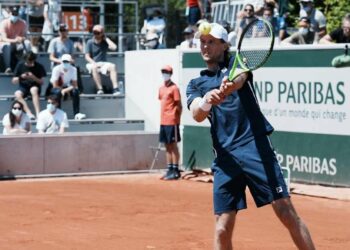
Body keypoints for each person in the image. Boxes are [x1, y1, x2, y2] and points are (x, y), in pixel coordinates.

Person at [186, 22, 316, 249]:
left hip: (254, 146)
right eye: (202, 42)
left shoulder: (239, 63)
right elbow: (197, 113)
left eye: (211, 42)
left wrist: (227, 86)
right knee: (222, 227)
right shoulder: (196, 84)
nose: (205, 47)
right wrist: (208, 99)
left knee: (285, 212)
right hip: (225, 158)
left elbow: (240, 79)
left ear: (224, 45)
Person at [159, 65, 182, 180]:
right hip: (163, 121)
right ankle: (169, 170)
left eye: (166, 72)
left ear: (171, 73)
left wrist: (177, 119)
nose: (164, 73)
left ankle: (176, 170)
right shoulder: (161, 88)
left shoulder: (175, 88)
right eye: (163, 71)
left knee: (173, 146)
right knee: (167, 146)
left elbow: (179, 105)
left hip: (172, 121)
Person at [85, 24, 121, 95]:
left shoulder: (105, 42)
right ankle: (100, 89)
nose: (95, 34)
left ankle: (115, 89)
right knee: (94, 67)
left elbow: (114, 47)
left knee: (113, 66)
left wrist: (106, 39)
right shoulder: (89, 42)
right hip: (92, 63)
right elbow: (87, 56)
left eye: (97, 33)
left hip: (103, 63)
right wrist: (94, 63)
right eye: (94, 32)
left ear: (102, 33)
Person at [50, 54, 86, 120]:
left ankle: (77, 113)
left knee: (75, 92)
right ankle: (58, 113)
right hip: (56, 87)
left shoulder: (74, 69)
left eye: (67, 62)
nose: (65, 63)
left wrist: (65, 90)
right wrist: (63, 90)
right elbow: (55, 85)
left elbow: (75, 85)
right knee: (57, 92)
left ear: (70, 62)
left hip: (67, 87)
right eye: (64, 61)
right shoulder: (56, 69)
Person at [12, 51, 47, 120]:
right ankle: (29, 112)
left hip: (35, 85)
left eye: (30, 62)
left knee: (34, 90)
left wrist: (33, 77)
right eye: (27, 62)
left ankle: (38, 113)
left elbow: (42, 82)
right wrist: (21, 77)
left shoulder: (39, 66)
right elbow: (13, 81)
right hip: (23, 86)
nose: (29, 64)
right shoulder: (20, 65)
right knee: (17, 94)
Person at [0, 6, 31, 73]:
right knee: (7, 45)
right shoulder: (4, 23)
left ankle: (21, 66)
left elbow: (24, 36)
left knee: (27, 43)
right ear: (10, 14)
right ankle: (8, 67)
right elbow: (4, 38)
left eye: (16, 14)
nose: (14, 16)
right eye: (13, 14)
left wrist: (22, 38)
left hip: (17, 44)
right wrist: (15, 40)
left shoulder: (23, 23)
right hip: (7, 44)